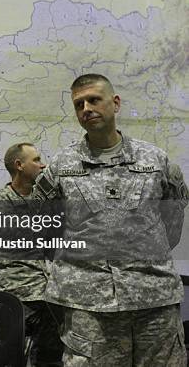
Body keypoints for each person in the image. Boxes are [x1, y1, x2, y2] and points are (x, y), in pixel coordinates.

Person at [33, 74, 188, 366]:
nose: (86, 108)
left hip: (153, 300)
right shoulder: (62, 167)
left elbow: (173, 222)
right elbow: (44, 228)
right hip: (88, 306)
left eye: (94, 100)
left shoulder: (155, 161)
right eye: (79, 104)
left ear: (115, 103)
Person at [0, 143, 63, 366]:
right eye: (36, 160)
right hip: (17, 299)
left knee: (51, 360)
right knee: (12, 360)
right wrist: (9, 271)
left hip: (51, 297)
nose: (43, 165)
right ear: (19, 165)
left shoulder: (47, 203)